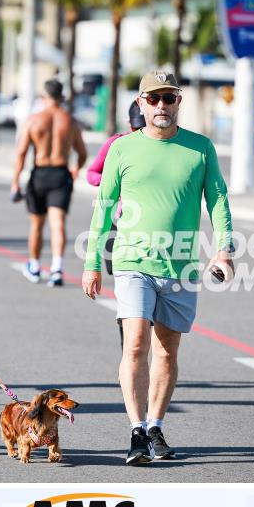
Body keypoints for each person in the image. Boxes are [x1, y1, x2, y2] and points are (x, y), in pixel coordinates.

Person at [81, 71, 234, 465]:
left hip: (180, 265)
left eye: (168, 98)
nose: (161, 105)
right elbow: (103, 207)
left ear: (178, 101)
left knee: (167, 351)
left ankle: (155, 426)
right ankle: (135, 430)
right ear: (141, 103)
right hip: (133, 262)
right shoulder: (122, 148)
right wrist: (92, 262)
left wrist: (224, 249)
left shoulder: (200, 148)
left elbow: (218, 200)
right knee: (135, 343)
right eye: (153, 99)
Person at [10, 79, 87, 287]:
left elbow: (21, 154)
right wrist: (75, 169)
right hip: (61, 174)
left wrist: (15, 182)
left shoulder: (33, 120)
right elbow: (82, 153)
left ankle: (35, 267)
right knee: (58, 223)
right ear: (61, 97)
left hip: (40, 174)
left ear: (44, 97)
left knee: (37, 225)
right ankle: (57, 269)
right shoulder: (70, 121)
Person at [86, 101, 147, 349]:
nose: (139, 132)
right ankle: (128, 349)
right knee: (127, 291)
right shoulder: (117, 144)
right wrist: (115, 182)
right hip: (120, 226)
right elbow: (92, 173)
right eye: (136, 127)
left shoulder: (165, 146)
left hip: (155, 231)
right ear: (129, 123)